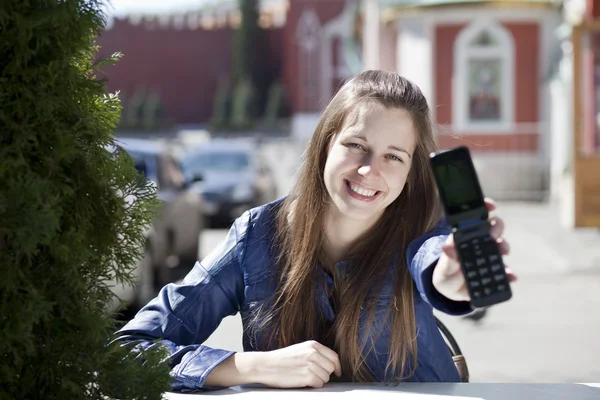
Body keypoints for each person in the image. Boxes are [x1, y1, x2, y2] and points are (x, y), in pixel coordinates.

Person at [113, 70, 516, 391]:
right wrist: (251, 366)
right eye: (356, 145)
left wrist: (448, 278)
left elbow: (435, 264)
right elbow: (128, 349)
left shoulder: (425, 231)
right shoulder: (255, 236)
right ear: (326, 145)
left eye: (393, 156)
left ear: (410, 173)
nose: (369, 170)